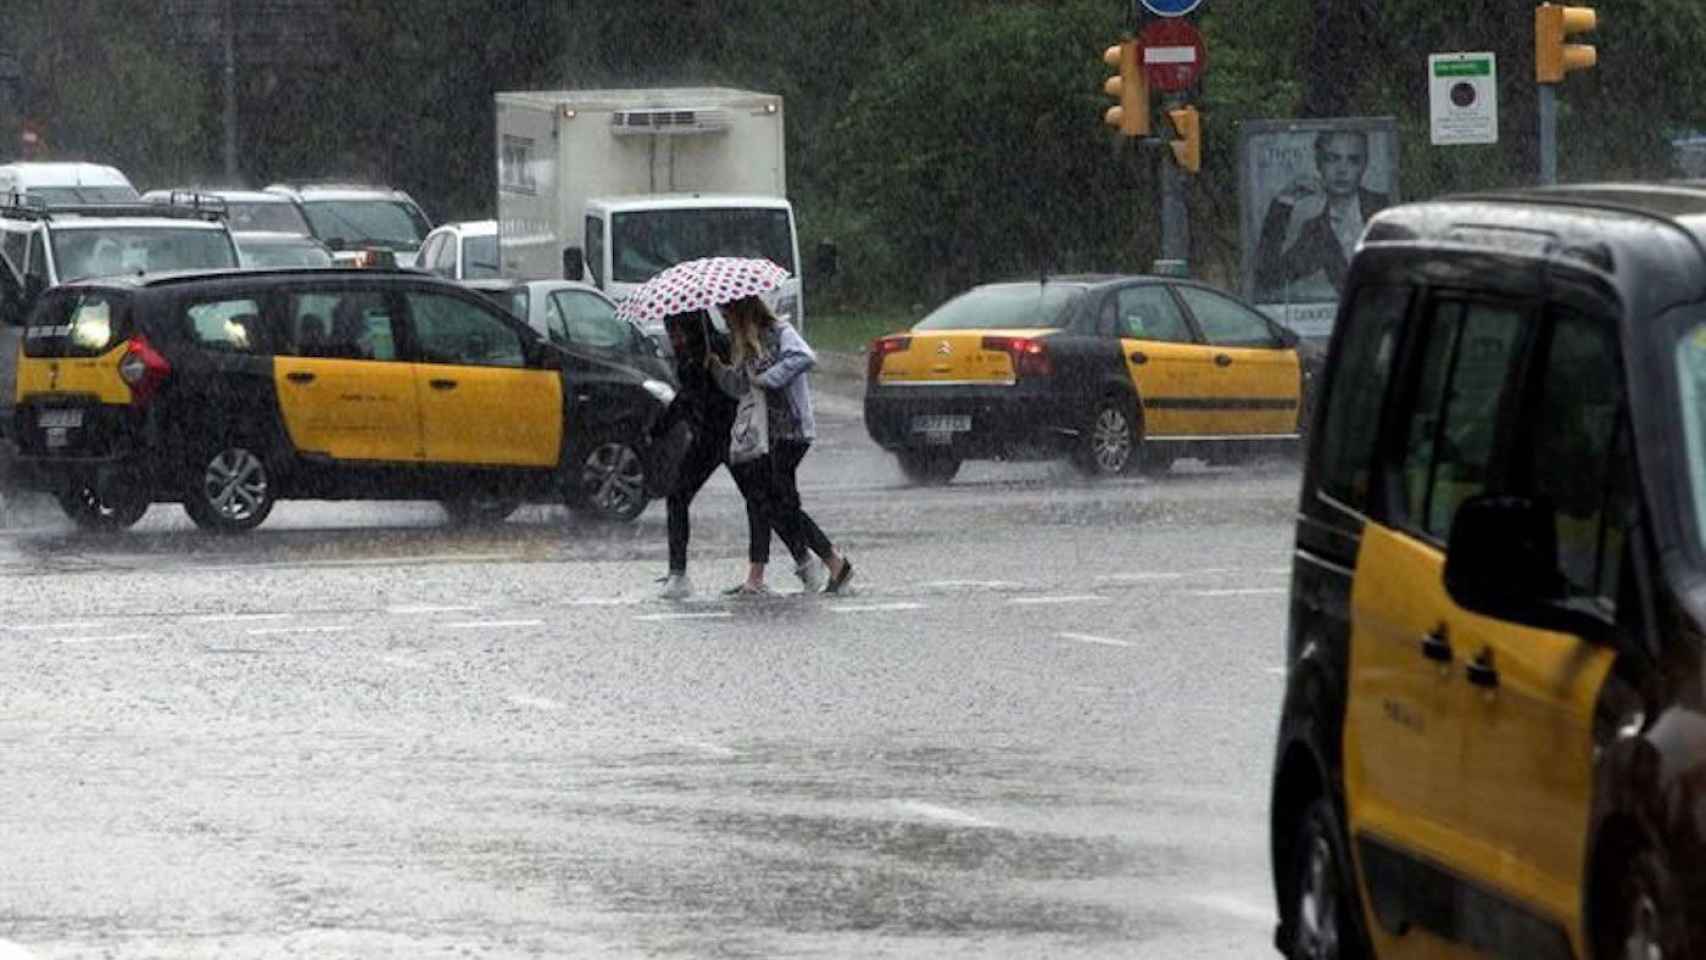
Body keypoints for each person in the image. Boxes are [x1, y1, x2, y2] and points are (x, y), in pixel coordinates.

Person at [651, 308, 826, 599]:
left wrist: (714, 368)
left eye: (679, 330)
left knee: (765, 503)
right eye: (671, 331)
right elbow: (687, 397)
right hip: (706, 441)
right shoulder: (687, 357)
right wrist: (660, 428)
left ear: (695, 326)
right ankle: (677, 573)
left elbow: (735, 390)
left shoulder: (719, 346)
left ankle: (807, 561)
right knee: (678, 495)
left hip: (737, 437)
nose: (675, 338)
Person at [708, 295, 855, 595]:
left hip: (792, 431)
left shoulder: (778, 331)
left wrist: (769, 378)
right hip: (766, 435)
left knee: (780, 504)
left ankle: (832, 563)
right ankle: (767, 575)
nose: (723, 318)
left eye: (726, 312)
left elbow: (804, 357)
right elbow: (741, 386)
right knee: (768, 502)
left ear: (741, 310)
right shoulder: (745, 343)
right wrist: (718, 370)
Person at [1254, 129, 1390, 301]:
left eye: (1353, 160)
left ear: (1364, 165)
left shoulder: (1385, 208)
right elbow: (1268, 278)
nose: (1342, 170)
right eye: (1332, 159)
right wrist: (1284, 202)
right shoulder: (1316, 232)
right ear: (1318, 163)